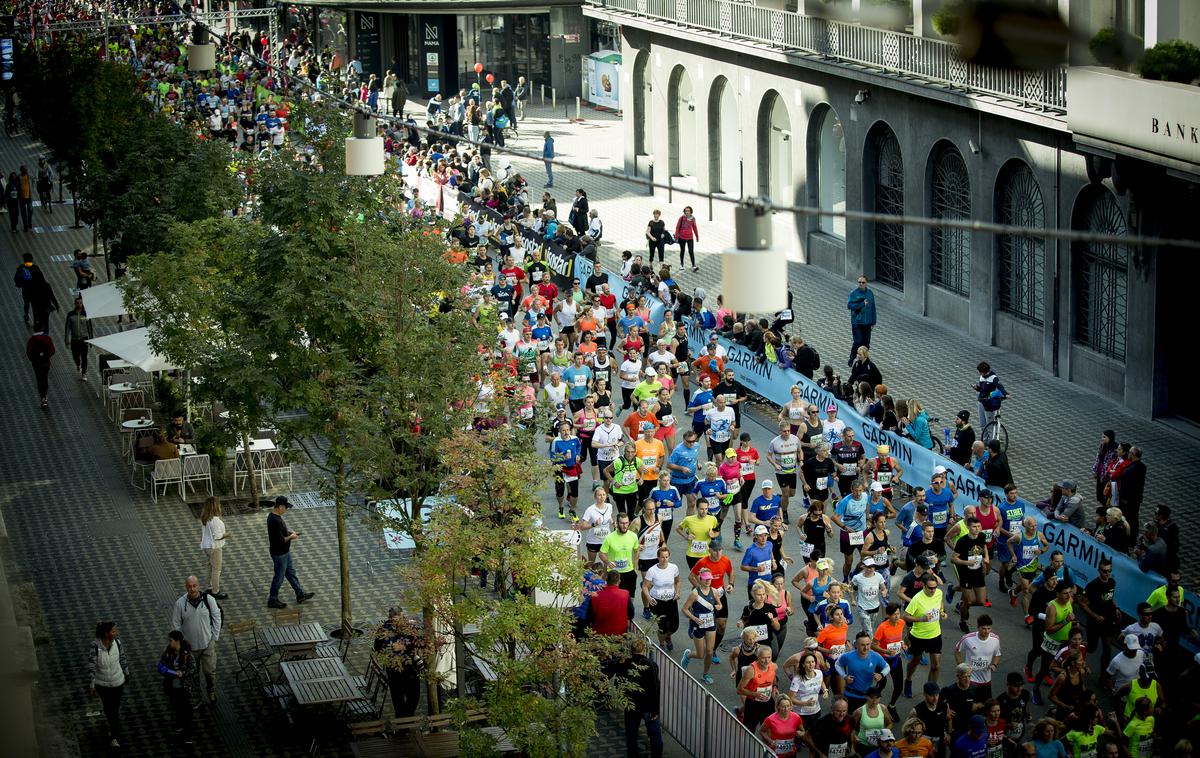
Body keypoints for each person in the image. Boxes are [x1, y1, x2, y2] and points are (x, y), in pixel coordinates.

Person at [170, 575, 222, 704]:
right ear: (186, 587)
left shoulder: (208, 600)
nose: (192, 589)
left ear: (198, 586)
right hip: (190, 648)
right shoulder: (180, 604)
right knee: (193, 674)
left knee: (210, 671)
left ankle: (211, 690)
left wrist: (214, 637)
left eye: (194, 586)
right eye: (189, 586)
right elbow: (175, 625)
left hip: (207, 644)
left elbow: (217, 617)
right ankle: (197, 696)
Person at [904, 572, 947, 697]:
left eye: (935, 587)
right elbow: (905, 616)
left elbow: (940, 604)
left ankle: (930, 691)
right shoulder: (917, 599)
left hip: (935, 634)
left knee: (936, 666)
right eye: (930, 588)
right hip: (919, 636)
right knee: (915, 661)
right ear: (924, 586)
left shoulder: (938, 593)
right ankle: (908, 679)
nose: (933, 590)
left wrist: (942, 612)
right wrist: (921, 619)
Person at [266, 496, 314, 609]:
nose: (286, 510)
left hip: (284, 552)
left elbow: (279, 533)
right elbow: (280, 540)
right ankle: (272, 599)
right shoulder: (275, 520)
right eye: (286, 507)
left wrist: (288, 532)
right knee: (279, 577)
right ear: (281, 507)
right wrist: (291, 537)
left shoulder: (274, 517)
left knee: (291, 573)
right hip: (279, 554)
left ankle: (300, 594)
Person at [375, 608, 423, 717]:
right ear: (391, 619)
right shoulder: (383, 629)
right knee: (398, 700)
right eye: (396, 620)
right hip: (394, 670)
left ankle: (407, 718)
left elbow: (420, 642)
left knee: (413, 697)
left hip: (411, 669)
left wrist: (405, 646)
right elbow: (377, 647)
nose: (399, 622)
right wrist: (390, 647)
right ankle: (403, 724)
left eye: (401, 619)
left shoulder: (410, 627)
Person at [621, 636, 663, 758]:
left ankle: (632, 755)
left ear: (631, 650)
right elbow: (655, 688)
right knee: (655, 735)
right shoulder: (651, 665)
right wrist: (655, 709)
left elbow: (621, 683)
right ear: (644, 649)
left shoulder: (626, 663)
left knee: (631, 734)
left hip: (631, 704)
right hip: (648, 706)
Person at [88, 621, 129, 749]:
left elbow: (122, 658)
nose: (116, 633)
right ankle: (113, 728)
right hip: (102, 685)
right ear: (106, 634)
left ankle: (114, 735)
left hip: (117, 682)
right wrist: (92, 684)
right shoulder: (95, 646)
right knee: (108, 708)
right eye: (113, 631)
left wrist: (126, 673)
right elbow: (92, 666)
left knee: (115, 709)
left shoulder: (117, 643)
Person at [837, 632, 891, 714]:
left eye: (868, 644)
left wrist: (881, 675)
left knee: (864, 721)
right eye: (862, 645)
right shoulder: (848, 656)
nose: (866, 648)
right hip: (851, 695)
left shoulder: (875, 656)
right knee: (852, 720)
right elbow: (837, 664)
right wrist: (844, 676)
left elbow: (887, 667)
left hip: (867, 697)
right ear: (856, 644)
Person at [955, 615, 1002, 700]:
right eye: (984, 628)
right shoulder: (968, 638)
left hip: (986, 680)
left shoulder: (995, 639)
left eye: (989, 628)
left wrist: (994, 664)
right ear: (978, 627)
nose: (986, 631)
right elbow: (957, 650)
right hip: (970, 680)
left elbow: (997, 654)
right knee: (970, 705)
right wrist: (961, 666)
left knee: (986, 707)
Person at [642, 545, 680, 649]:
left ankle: (668, 636)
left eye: (667, 557)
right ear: (658, 557)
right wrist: (649, 598)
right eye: (662, 557)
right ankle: (662, 644)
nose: (664, 559)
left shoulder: (674, 568)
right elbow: (645, 587)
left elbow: (677, 581)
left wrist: (677, 593)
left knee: (674, 626)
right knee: (662, 626)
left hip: (671, 601)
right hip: (657, 602)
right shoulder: (652, 570)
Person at [158, 631, 193, 744]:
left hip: (184, 687)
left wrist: (182, 673)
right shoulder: (168, 652)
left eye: (170, 640)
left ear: (177, 641)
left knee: (186, 710)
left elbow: (192, 668)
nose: (169, 642)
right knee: (177, 706)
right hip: (172, 686)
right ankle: (179, 724)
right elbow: (162, 663)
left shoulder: (186, 654)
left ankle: (188, 735)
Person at [737, 644, 780, 732]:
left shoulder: (774, 666)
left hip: (768, 702)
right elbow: (739, 690)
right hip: (753, 704)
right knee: (749, 730)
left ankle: (766, 745)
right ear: (758, 657)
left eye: (769, 657)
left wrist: (774, 686)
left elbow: (773, 677)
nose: (766, 660)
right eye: (763, 658)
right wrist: (754, 694)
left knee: (768, 729)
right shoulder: (751, 670)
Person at [587, 570, 634, 636]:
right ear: (619, 581)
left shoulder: (595, 596)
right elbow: (631, 614)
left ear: (606, 581)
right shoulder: (625, 594)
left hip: (599, 634)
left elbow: (589, 617)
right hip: (620, 634)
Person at [199, 497, 228, 600]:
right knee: (216, 569)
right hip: (214, 547)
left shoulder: (205, 517)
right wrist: (226, 535)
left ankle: (208, 587)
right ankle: (215, 591)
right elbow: (217, 536)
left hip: (206, 546)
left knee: (209, 567)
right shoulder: (215, 520)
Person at [847, 275, 876, 366]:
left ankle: (864, 358)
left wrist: (873, 321)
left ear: (866, 283)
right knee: (858, 342)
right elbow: (850, 306)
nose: (861, 284)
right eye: (859, 282)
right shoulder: (853, 294)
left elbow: (873, 308)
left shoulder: (870, 293)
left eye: (863, 282)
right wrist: (862, 304)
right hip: (857, 322)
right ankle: (852, 357)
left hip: (867, 322)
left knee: (866, 343)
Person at [63, 296, 92, 380]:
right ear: (75, 304)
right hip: (74, 340)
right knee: (75, 355)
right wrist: (66, 339)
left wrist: (91, 339)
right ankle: (78, 364)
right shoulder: (70, 314)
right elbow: (67, 327)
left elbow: (89, 326)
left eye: (81, 303)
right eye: (78, 303)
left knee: (84, 357)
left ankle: (84, 373)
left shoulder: (86, 314)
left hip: (84, 339)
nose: (79, 305)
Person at [25, 326, 55, 410]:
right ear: (42, 329)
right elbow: (53, 350)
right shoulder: (47, 338)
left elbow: (28, 352)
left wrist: (33, 360)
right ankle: (45, 396)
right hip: (45, 363)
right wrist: (46, 356)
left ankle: (42, 397)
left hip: (36, 364)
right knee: (44, 378)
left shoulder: (31, 340)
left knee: (39, 379)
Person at [675, 206, 700, 271]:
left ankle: (693, 266)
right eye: (686, 211)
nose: (687, 212)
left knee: (691, 251)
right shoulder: (681, 218)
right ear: (684, 211)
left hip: (690, 238)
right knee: (682, 251)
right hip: (682, 238)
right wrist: (677, 237)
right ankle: (682, 264)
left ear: (691, 211)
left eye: (688, 211)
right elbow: (677, 227)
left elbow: (695, 228)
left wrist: (697, 236)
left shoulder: (693, 219)